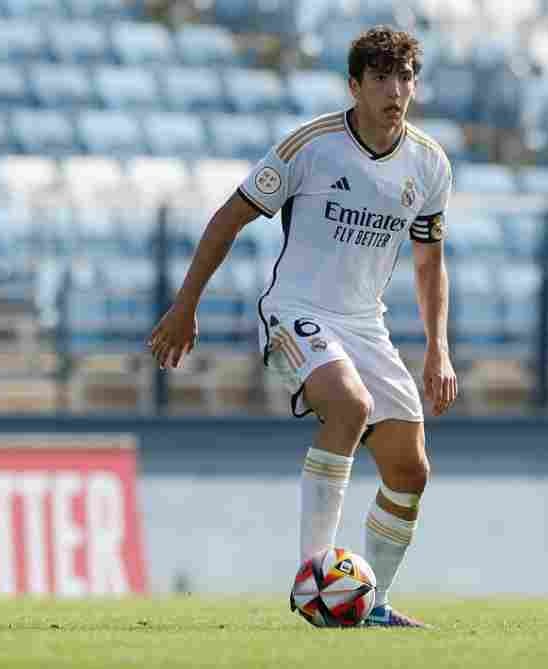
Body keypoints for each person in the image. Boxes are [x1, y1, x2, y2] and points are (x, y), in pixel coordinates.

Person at [147, 25, 457, 628]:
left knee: (409, 468)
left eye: (405, 78)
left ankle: (374, 605)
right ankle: (313, 580)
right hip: (296, 310)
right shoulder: (311, 146)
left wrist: (437, 350)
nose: (396, 91)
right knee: (348, 405)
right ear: (354, 85)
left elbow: (429, 265)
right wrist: (186, 305)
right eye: (381, 79)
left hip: (367, 323)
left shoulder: (429, 163)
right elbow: (226, 219)